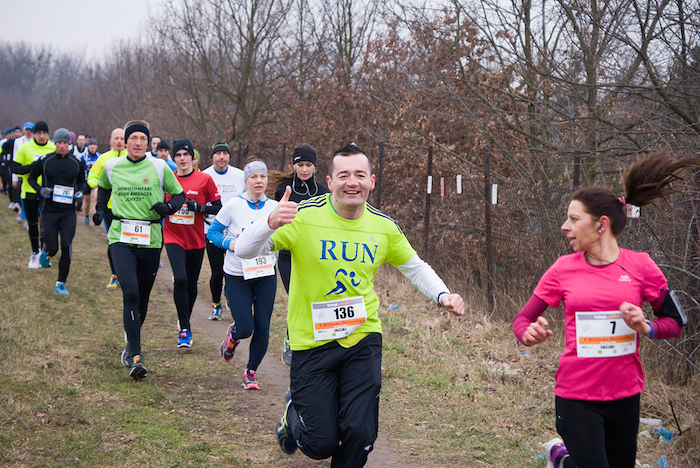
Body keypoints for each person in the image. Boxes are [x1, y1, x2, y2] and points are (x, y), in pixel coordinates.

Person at [234, 143, 464, 465]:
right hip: (311, 341)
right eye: (343, 175)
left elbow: (414, 266)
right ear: (330, 182)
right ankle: (294, 414)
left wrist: (442, 295)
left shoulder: (383, 226)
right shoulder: (303, 216)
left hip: (362, 336)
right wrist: (269, 222)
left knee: (360, 432)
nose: (352, 182)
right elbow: (243, 249)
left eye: (359, 175)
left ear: (372, 181)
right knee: (320, 443)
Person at [512, 151, 694, 468]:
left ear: (601, 224)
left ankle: (561, 460)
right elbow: (523, 319)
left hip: (625, 397)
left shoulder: (642, 266)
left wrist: (646, 326)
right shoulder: (562, 269)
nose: (564, 226)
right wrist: (527, 334)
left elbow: (675, 323)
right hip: (576, 397)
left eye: (574, 219)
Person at [94, 120, 185, 380]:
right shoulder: (112, 166)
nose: (137, 142)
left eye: (142, 139)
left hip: (151, 239)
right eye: (133, 138)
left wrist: (168, 208)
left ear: (148, 143)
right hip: (121, 237)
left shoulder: (159, 167)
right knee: (131, 292)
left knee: (142, 298)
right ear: (125, 142)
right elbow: (103, 188)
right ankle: (135, 355)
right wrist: (100, 210)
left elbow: (179, 196)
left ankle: (130, 337)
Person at [207, 159, 279, 390]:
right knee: (246, 327)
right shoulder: (233, 205)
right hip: (237, 274)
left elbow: (288, 234)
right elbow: (213, 232)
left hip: (265, 273)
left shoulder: (275, 207)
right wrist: (230, 244)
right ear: (246, 181)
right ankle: (234, 335)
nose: (258, 181)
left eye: (262, 176)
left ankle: (251, 371)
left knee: (263, 325)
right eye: (253, 177)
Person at [267, 143, 329, 364]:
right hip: (288, 254)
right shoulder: (283, 190)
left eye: (308, 165)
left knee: (314, 299)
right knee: (297, 298)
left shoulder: (324, 192)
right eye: (300, 165)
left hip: (313, 255)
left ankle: (316, 341)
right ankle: (291, 340)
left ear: (315, 166)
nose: (304, 169)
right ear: (294, 165)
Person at [163, 139, 221, 348]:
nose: (182, 159)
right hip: (173, 236)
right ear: (174, 158)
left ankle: (184, 317)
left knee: (191, 283)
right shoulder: (168, 178)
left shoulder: (204, 179)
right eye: (178, 155)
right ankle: (185, 328)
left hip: (196, 239)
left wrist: (199, 208)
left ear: (192, 158)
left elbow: (218, 207)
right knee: (180, 278)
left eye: (185, 155)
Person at [27, 128, 86, 294]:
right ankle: (47, 252)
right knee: (53, 248)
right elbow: (31, 178)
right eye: (59, 142)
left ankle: (61, 282)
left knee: (66, 246)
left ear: (69, 144)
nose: (62, 146)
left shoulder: (75, 163)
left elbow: (82, 182)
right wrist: (40, 190)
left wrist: (80, 192)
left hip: (68, 211)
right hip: (49, 211)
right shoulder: (45, 161)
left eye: (65, 143)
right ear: (54, 143)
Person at [202, 141, 245, 320]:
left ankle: (231, 297)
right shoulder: (205, 176)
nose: (221, 157)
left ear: (229, 156)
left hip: (235, 231)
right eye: (218, 153)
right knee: (217, 271)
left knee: (234, 271)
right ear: (212, 156)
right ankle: (216, 305)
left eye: (225, 153)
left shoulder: (240, 175)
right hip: (212, 230)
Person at [11, 121, 56, 268]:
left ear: (48, 134)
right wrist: (32, 168)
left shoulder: (53, 147)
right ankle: (34, 252)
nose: (41, 136)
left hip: (47, 193)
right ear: (33, 134)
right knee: (32, 224)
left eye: (44, 133)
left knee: (46, 226)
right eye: (38, 133)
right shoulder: (25, 148)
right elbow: (14, 167)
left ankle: (44, 254)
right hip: (29, 192)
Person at [87, 128, 127, 288]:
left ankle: (128, 275)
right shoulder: (104, 158)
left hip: (129, 208)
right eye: (116, 138)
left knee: (129, 242)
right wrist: (100, 184)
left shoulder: (132, 157)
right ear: (111, 141)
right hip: (110, 208)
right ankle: (115, 275)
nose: (119, 141)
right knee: (113, 242)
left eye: (122, 138)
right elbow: (91, 177)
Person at [80, 138, 100, 224]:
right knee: (87, 202)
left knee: (96, 199)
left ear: (96, 146)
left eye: (94, 145)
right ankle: (86, 216)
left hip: (96, 181)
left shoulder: (99, 156)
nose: (92, 147)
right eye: (91, 145)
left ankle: (97, 217)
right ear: (88, 146)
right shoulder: (84, 156)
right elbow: (80, 169)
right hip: (86, 181)